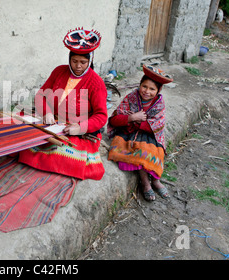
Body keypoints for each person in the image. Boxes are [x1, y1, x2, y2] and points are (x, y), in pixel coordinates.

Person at [18, 28, 108, 180]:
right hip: (51, 122)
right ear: (69, 59)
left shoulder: (96, 83)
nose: (78, 66)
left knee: (61, 153)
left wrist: (80, 127)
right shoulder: (59, 71)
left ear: (90, 60)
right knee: (20, 135)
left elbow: (101, 116)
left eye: (83, 62)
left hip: (74, 130)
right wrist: (46, 112)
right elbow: (41, 94)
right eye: (74, 61)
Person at [107, 65, 173, 201]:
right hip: (128, 133)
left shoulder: (159, 104)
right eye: (144, 86)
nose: (147, 91)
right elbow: (114, 120)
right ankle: (146, 183)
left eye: (152, 89)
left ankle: (156, 180)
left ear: (158, 90)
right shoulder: (131, 98)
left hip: (150, 135)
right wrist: (131, 118)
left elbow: (157, 126)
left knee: (156, 152)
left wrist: (139, 122)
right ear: (140, 85)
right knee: (139, 151)